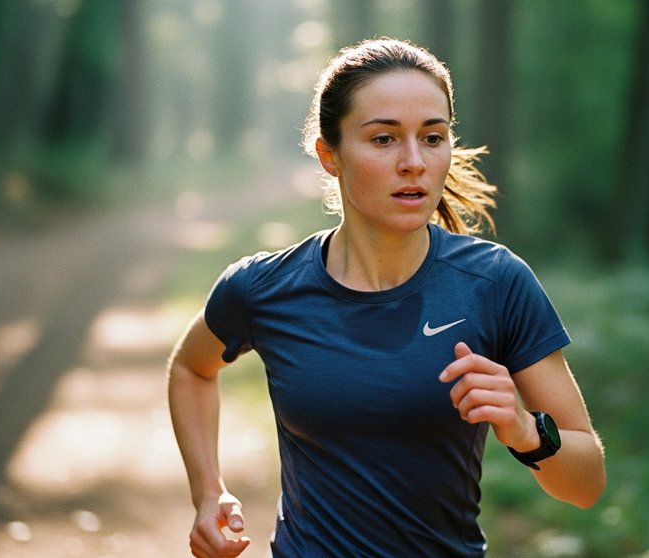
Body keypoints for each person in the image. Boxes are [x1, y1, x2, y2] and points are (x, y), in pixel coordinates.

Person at [167, 37, 606, 558]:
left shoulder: (495, 283)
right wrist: (207, 491)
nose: (415, 162)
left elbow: (587, 483)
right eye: (384, 139)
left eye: (433, 137)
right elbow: (192, 369)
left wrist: (524, 428)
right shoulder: (264, 288)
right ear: (329, 155)